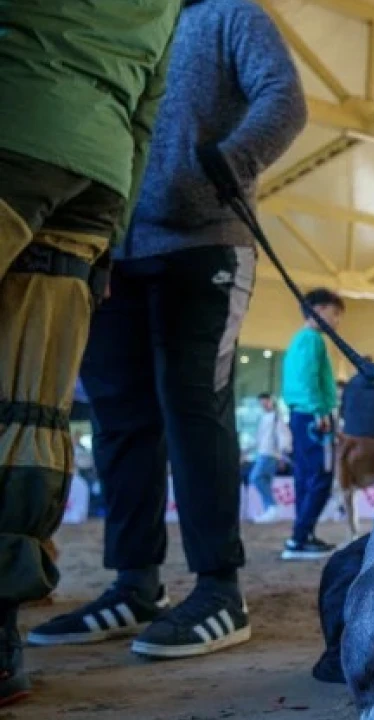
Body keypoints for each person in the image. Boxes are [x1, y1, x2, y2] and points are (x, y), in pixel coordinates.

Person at [31, 0, 306, 662]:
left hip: (205, 243)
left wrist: (220, 167)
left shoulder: (229, 15)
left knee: (194, 409)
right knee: (124, 420)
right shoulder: (129, 23)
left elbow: (284, 99)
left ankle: (220, 590)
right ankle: (134, 583)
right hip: (117, 250)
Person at [0, 4, 178, 701]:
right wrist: (113, 230)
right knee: (26, 413)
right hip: (94, 179)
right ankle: (3, 634)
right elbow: (149, 106)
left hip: (12, 126)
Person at [281, 288, 345, 560]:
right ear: (320, 309)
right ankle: (298, 539)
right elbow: (308, 379)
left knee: (305, 478)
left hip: (300, 415)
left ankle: (303, 535)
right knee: (321, 476)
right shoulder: (314, 341)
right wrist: (321, 413)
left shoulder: (298, 340)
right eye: (335, 313)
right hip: (313, 417)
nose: (337, 320)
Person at [249, 394, 290, 524]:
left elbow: (283, 435)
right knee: (265, 480)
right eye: (261, 402)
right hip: (262, 453)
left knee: (255, 478)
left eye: (266, 401)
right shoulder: (264, 418)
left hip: (270, 454)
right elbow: (259, 438)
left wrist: (283, 453)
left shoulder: (276, 417)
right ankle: (270, 510)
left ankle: (272, 506)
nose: (264, 404)